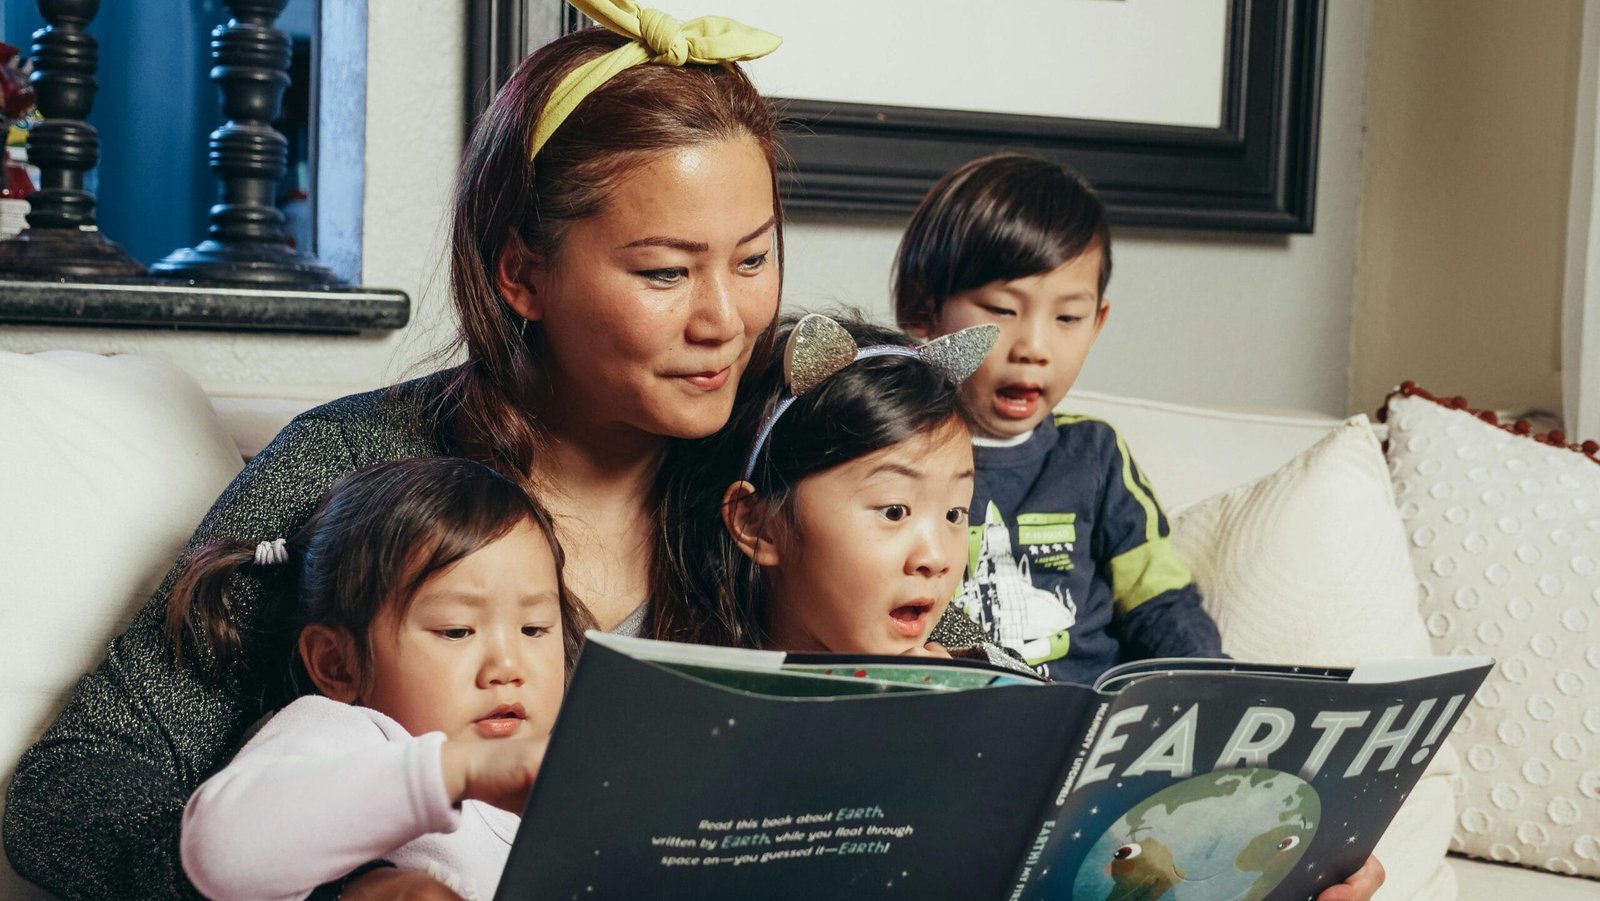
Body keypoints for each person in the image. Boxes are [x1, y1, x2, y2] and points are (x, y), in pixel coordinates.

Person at [2, 2, 787, 897]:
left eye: (753, 259)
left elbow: (954, 699)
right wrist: (349, 887)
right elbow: (71, 792)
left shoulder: (783, 462)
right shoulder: (355, 466)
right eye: (665, 272)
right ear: (521, 273)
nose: (726, 320)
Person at [893, 152, 1385, 900]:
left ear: (1099, 321)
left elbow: (1161, 605)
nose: (1035, 344)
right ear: (927, 315)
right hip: (964, 756)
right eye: (1001, 309)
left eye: (1067, 316)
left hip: (1100, 766)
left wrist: (1225, 714)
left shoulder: (1095, 456)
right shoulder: (891, 459)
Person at [176, 459, 591, 900]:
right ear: (339, 664)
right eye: (455, 630)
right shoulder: (348, 737)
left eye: (534, 629)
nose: (508, 667)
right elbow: (221, 854)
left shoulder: (570, 783)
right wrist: (462, 771)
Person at [661, 312, 1020, 666]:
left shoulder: (967, 660)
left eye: (954, 514)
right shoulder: (689, 677)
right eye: (894, 511)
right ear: (758, 525)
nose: (936, 558)